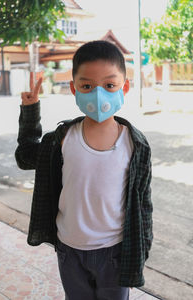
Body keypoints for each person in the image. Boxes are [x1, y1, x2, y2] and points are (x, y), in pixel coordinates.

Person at [15, 40, 153, 300]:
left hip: (115, 252)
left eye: (109, 85)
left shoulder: (136, 145)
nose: (98, 94)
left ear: (124, 87)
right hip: (70, 250)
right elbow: (25, 157)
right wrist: (30, 111)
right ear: (73, 89)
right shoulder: (62, 139)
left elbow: (143, 206)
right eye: (87, 86)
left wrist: (137, 261)